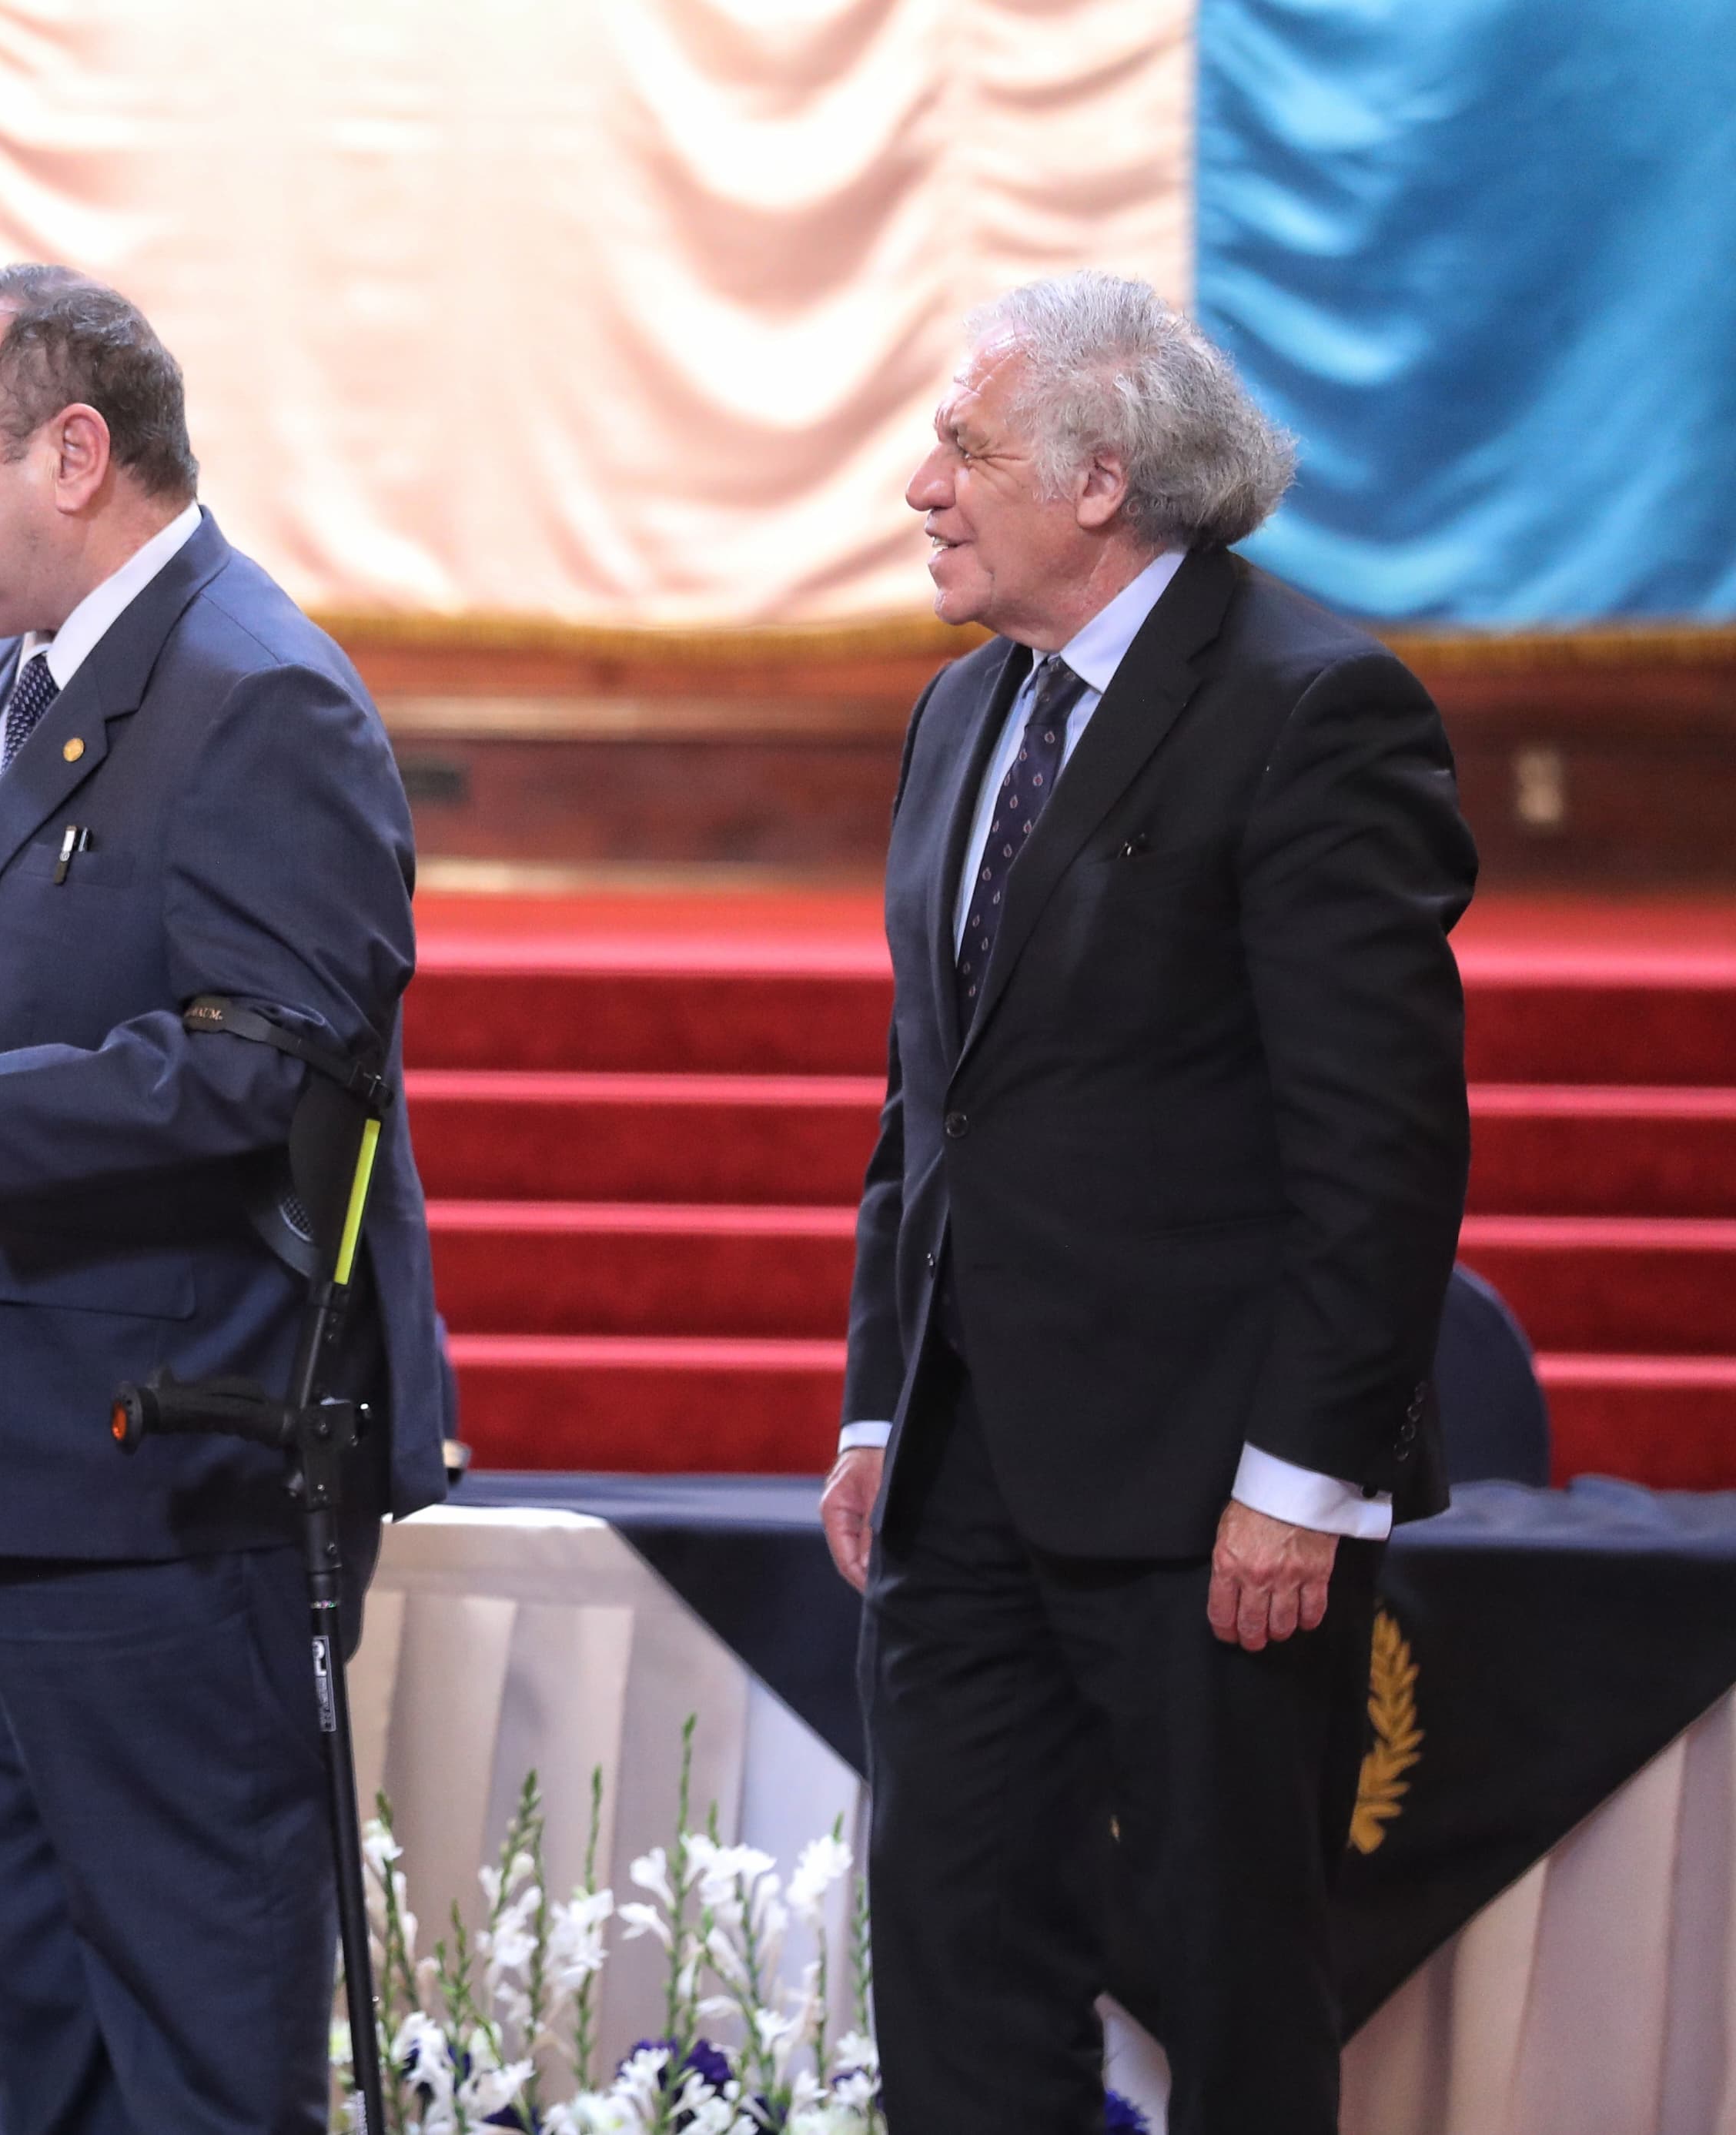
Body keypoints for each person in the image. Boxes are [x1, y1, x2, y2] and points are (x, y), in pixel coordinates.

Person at [0, 264, 450, 2133]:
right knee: (42, 2026)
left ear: (75, 454)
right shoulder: (7, 676)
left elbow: (279, 1065)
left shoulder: (260, 695)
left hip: (163, 1479)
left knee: (200, 2036)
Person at [815, 273, 1475, 2133]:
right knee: (951, 1955)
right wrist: (882, 1398)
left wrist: (1299, 1481)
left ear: (1102, 480)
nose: (922, 486)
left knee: (1232, 1985)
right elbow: (926, 1102)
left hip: (1208, 1509)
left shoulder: (1314, 707)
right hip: (960, 1485)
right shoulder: (959, 715)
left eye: (964, 445)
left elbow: (1382, 1141)